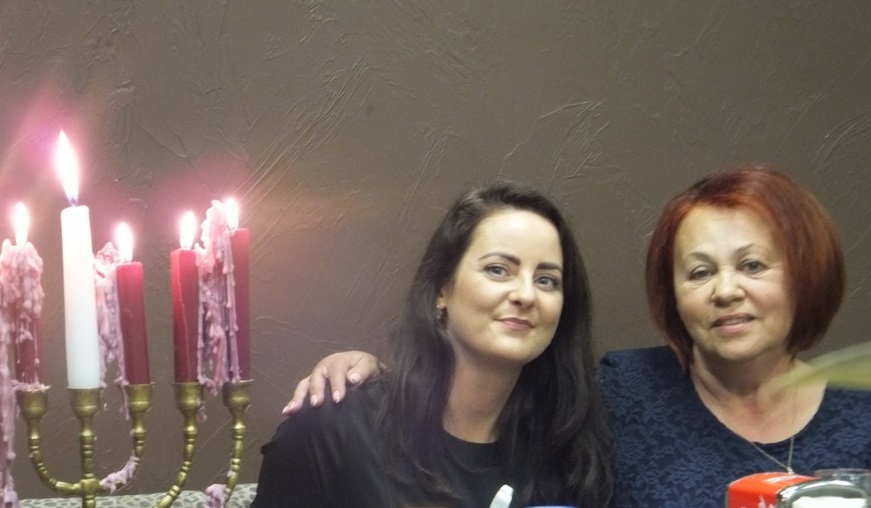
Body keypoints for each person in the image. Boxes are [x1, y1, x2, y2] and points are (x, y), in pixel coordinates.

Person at [285, 164, 871, 506]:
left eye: (753, 265)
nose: (725, 291)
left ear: (804, 273)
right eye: (698, 273)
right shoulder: (625, 392)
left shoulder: (862, 415)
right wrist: (361, 373)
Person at [252, 181, 615, 508]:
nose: (526, 294)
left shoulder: (570, 454)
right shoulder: (337, 427)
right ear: (442, 288)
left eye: (547, 280)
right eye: (497, 270)